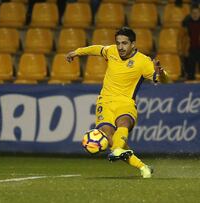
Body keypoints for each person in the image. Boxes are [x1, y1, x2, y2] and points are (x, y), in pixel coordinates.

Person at [66, 27, 169, 178]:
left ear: (133, 44)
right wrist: (76, 52)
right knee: (113, 142)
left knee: (123, 123)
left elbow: (164, 80)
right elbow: (97, 49)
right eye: (118, 43)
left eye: (125, 43)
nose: (120, 47)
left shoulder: (143, 61)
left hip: (125, 102)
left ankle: (119, 150)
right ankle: (143, 167)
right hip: (105, 102)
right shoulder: (111, 51)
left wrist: (161, 73)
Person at [182, 4, 200, 81]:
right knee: (190, 72)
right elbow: (182, 37)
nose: (195, 15)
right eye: (193, 13)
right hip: (190, 49)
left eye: (197, 13)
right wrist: (182, 49)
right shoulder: (186, 23)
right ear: (191, 14)